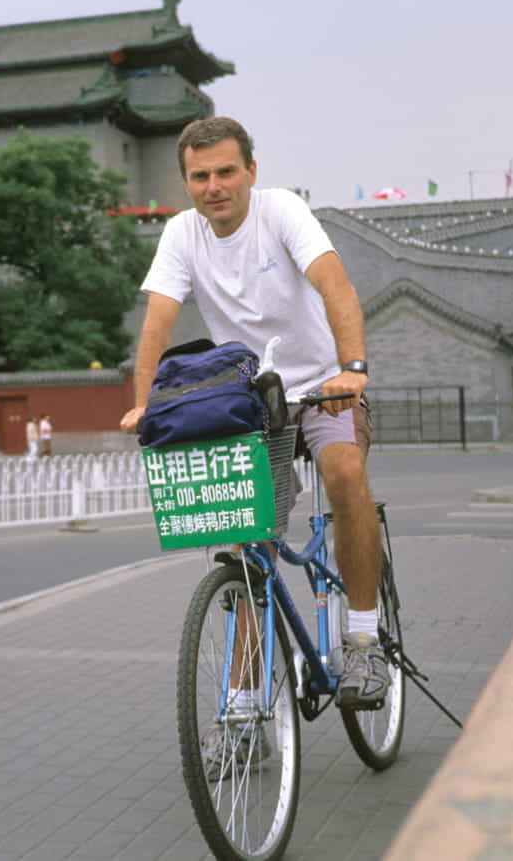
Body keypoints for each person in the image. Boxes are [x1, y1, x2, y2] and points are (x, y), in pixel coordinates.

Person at [120, 116, 386, 713]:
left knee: (344, 473)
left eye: (225, 172)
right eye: (200, 176)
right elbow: (157, 324)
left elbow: (335, 285)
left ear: (251, 172)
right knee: (246, 541)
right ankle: (241, 700)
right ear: (186, 182)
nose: (214, 186)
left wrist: (354, 367)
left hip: (323, 387)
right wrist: (143, 403)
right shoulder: (182, 234)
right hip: (252, 400)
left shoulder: (281, 212)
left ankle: (364, 637)